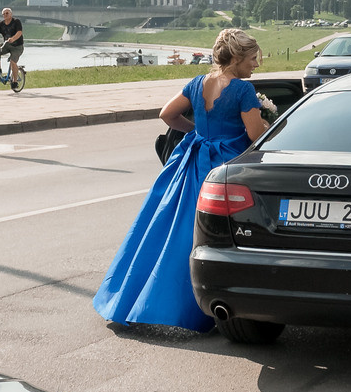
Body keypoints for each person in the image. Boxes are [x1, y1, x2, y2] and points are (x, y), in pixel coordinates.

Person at [94, 28, 269, 331]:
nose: (256, 65)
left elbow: (167, 114)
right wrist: (269, 124)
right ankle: (192, 304)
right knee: (206, 234)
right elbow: (254, 135)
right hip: (224, 165)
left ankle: (133, 298)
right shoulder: (242, 90)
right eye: (253, 59)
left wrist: (195, 133)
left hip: (191, 159)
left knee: (164, 226)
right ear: (238, 58)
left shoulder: (197, 82)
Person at [0, 6, 24, 81]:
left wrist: (13, 38)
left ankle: (15, 82)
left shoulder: (16, 21)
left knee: (13, 62)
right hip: (7, 45)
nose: (5, 15)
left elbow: (19, 32)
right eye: (3, 14)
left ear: (11, 14)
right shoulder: (1, 24)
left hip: (17, 47)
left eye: (7, 13)